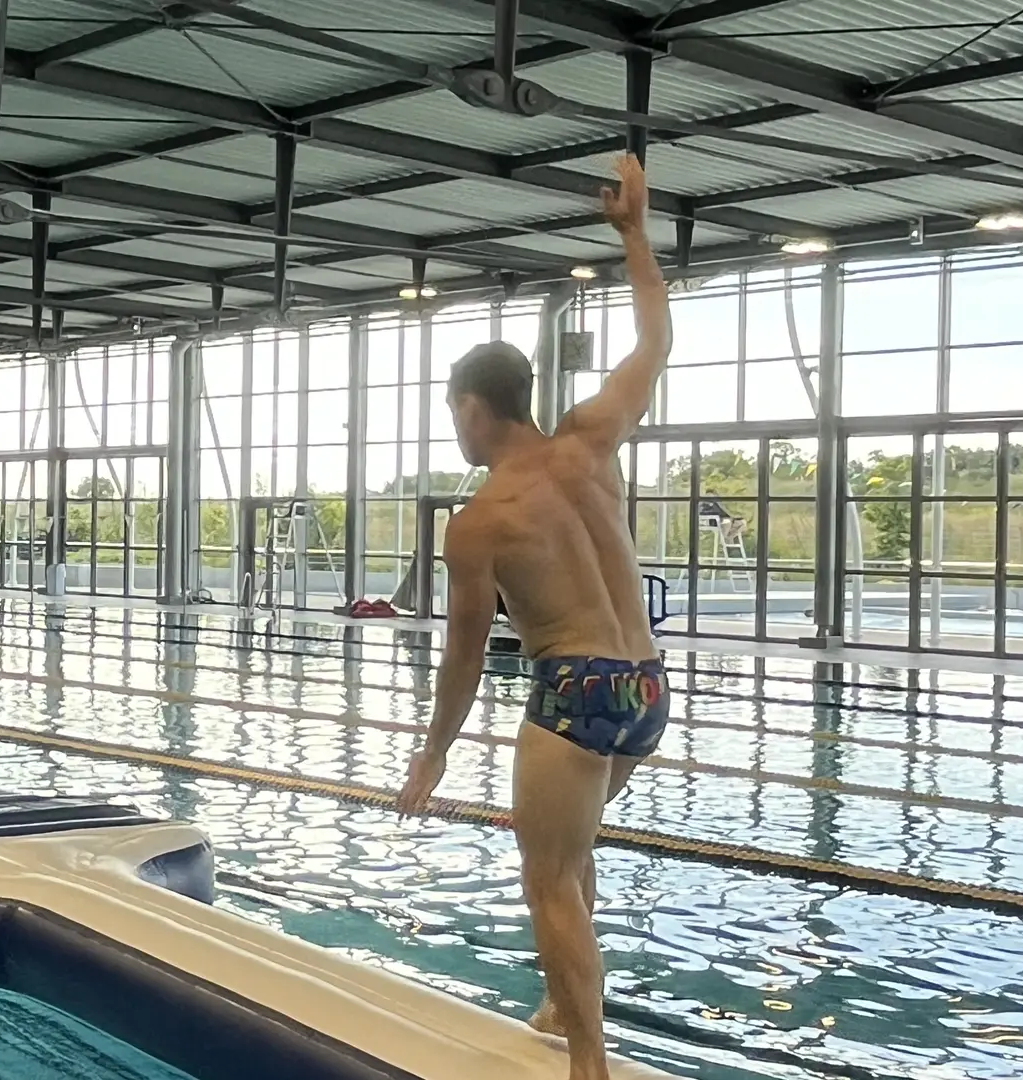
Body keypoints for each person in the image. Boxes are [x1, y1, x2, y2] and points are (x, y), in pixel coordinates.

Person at [396, 154, 671, 1080]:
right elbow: (655, 342)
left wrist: (432, 752)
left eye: (454, 413)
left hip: (575, 687)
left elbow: (465, 662)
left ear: (474, 409)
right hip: (645, 688)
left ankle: (587, 1064)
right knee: (574, 844)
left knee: (548, 878)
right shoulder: (592, 439)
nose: (455, 428)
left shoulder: (479, 523)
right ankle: (559, 1003)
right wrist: (635, 235)